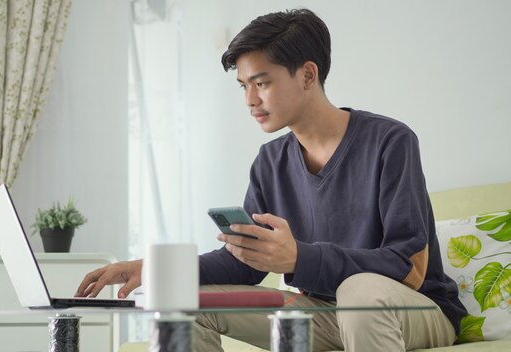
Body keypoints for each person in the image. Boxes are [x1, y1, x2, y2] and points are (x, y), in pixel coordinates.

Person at [76, 8, 467, 352]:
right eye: (244, 86)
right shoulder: (270, 160)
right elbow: (244, 263)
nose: (250, 100)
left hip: (414, 310)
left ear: (308, 75)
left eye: (261, 83)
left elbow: (409, 267)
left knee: (358, 290)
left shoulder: (389, 141)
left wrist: (299, 257)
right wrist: (153, 269)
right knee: (183, 302)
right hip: (324, 313)